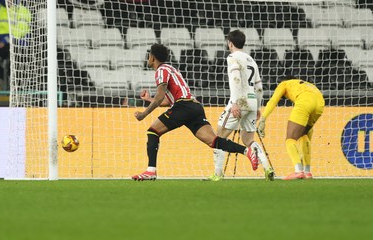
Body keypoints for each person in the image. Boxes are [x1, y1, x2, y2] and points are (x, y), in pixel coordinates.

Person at [131, 43, 258, 181]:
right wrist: (149, 99)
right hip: (194, 107)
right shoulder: (171, 69)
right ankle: (247, 151)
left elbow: (160, 97)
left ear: (152, 57)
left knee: (153, 131)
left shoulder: (161, 70)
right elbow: (167, 101)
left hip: (183, 107)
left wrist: (144, 114)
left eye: (149, 55)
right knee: (213, 141)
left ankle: (151, 171)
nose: (148, 58)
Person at [205, 30, 274, 181]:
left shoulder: (232, 57)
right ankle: (267, 166)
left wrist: (235, 103)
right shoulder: (251, 60)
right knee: (248, 139)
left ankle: (218, 174)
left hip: (239, 100)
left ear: (230, 43)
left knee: (219, 136)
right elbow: (259, 86)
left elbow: (236, 79)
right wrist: (257, 107)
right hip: (252, 100)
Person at [257, 76, 325, 180]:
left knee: (290, 139)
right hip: (320, 103)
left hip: (305, 101)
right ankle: (307, 172)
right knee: (304, 135)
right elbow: (309, 131)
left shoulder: (284, 84)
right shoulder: (305, 85)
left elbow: (273, 101)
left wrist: (263, 119)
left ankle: (298, 171)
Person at [0, 0, 31, 89]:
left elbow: (22, 30)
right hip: (0, 42)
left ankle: (14, 80)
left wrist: (6, 40)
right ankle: (2, 76)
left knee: (11, 53)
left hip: (16, 43)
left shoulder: (22, 10)